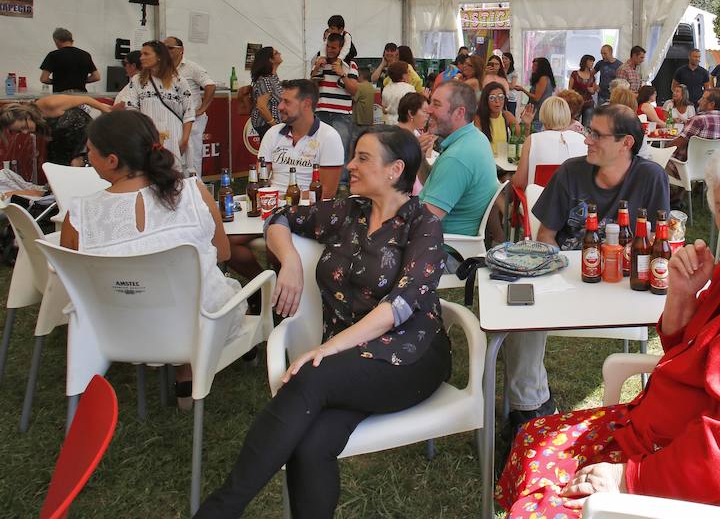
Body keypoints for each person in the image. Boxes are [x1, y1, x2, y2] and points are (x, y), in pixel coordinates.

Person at [497, 134, 720, 518]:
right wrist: (682, 295)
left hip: (698, 485)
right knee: (534, 437)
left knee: (541, 505)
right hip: (658, 435)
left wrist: (626, 479)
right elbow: (688, 352)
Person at [196, 126, 451, 519]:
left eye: (363, 158)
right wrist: (291, 262)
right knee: (311, 445)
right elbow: (279, 218)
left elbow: (399, 306)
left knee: (310, 376)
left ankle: (220, 510)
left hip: (412, 354)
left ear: (394, 169)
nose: (350, 165)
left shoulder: (424, 226)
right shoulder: (348, 211)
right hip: (348, 359)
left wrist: (326, 349)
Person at [59, 110, 244, 409]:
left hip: (117, 329)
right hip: (197, 326)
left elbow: (76, 278)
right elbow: (223, 254)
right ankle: (187, 369)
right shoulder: (194, 193)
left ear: (112, 161)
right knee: (201, 291)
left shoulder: (80, 214)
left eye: (89, 152)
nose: (87, 158)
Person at [502, 104, 669, 435]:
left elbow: (655, 241)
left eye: (596, 134)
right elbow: (546, 236)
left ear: (626, 143)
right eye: (588, 132)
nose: (587, 140)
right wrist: (551, 281)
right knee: (518, 310)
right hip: (568, 275)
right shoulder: (571, 171)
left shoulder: (650, 177)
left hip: (626, 284)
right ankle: (530, 409)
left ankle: (662, 410)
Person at [229, 79, 344, 280]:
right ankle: (264, 287)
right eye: (280, 101)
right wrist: (271, 200)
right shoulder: (274, 133)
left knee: (277, 246)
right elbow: (261, 178)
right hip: (269, 207)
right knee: (223, 242)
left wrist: (284, 201)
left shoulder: (329, 137)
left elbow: (327, 192)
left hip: (305, 212)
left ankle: (277, 293)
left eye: (286, 102)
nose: (280, 107)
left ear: (306, 104)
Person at [417, 81, 498, 237]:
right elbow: (433, 182)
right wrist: (420, 158)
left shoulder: (458, 157)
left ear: (459, 113)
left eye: (436, 104)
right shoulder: (474, 137)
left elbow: (426, 223)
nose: (428, 109)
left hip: (445, 250)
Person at [117, 40, 195, 170]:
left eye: (146, 54)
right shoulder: (137, 80)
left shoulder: (179, 81)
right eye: (141, 54)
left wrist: (184, 140)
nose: (141, 57)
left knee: (174, 174)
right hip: (148, 136)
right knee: (150, 173)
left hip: (175, 136)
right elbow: (132, 108)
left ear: (159, 56)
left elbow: (189, 112)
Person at [164, 36, 216, 176]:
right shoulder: (163, 69)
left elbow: (210, 86)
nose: (166, 51)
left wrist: (202, 108)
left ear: (181, 50)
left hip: (192, 119)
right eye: (164, 48)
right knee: (173, 157)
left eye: (170, 48)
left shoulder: (192, 67)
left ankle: (195, 190)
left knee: (192, 157)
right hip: (172, 119)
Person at [511, 96, 587, 190]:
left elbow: (519, 182)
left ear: (543, 115)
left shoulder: (533, 140)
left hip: (538, 201)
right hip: (574, 202)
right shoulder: (582, 140)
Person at [312, 33, 360, 174]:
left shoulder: (350, 65)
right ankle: (318, 179)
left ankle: (342, 183)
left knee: (341, 149)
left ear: (341, 48)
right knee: (318, 148)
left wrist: (342, 74)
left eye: (334, 47)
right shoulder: (319, 61)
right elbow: (311, 85)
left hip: (342, 115)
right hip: (320, 112)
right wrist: (316, 70)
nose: (330, 50)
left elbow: (353, 90)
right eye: (328, 46)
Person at [667, 88, 720, 164]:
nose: (699, 101)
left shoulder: (698, 121)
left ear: (711, 104)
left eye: (703, 98)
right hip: (715, 171)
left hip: (686, 169)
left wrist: (663, 149)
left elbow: (676, 146)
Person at [39, 27, 100, 93]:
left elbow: (44, 79)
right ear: (71, 40)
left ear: (56, 40)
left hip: (61, 96)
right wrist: (79, 82)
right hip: (81, 97)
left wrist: (59, 82)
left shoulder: (53, 55)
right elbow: (96, 77)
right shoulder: (86, 55)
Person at [396, 91, 430, 195]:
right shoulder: (395, 137)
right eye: (424, 112)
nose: (427, 116)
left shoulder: (416, 133)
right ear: (411, 113)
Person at [249, 46, 283, 141]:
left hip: (273, 124)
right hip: (266, 125)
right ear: (270, 60)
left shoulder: (273, 77)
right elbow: (262, 106)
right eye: (276, 53)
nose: (280, 53)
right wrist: (274, 126)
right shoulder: (265, 80)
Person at [475, 82, 516, 156]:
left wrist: (526, 124)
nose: (497, 101)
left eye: (501, 97)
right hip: (486, 160)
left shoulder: (507, 115)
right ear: (486, 100)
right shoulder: (478, 118)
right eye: (492, 98)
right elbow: (476, 145)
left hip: (503, 162)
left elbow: (521, 138)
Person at [569, 55, 597, 125]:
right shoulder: (575, 74)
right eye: (590, 61)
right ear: (584, 61)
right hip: (576, 103)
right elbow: (569, 89)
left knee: (587, 125)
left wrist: (592, 90)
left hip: (588, 103)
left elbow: (593, 90)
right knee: (573, 124)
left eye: (593, 61)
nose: (592, 63)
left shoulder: (592, 76)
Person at [352, 67, 375, 132]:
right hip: (369, 119)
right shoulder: (371, 86)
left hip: (359, 119)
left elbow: (353, 99)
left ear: (360, 76)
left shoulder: (359, 86)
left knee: (356, 138)